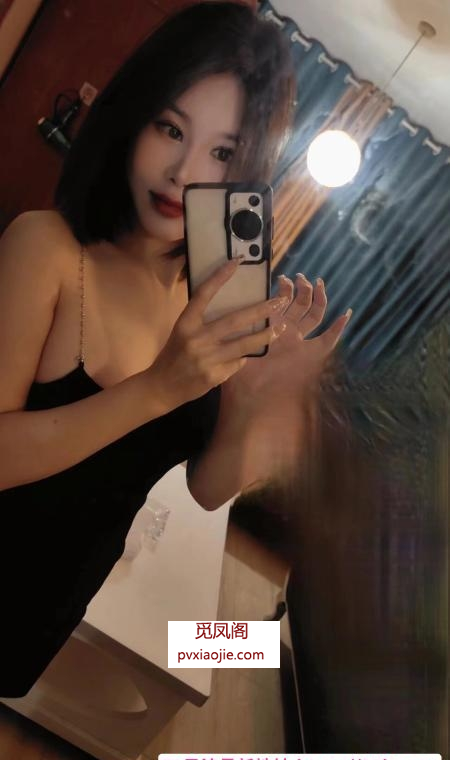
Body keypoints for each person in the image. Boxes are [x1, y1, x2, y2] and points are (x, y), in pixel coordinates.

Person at [0, 0, 351, 697]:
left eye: (221, 153)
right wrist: (158, 388)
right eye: (171, 129)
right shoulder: (48, 248)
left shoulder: (207, 297)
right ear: (133, 117)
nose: (185, 172)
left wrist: (258, 406)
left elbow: (206, 487)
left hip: (45, 607)